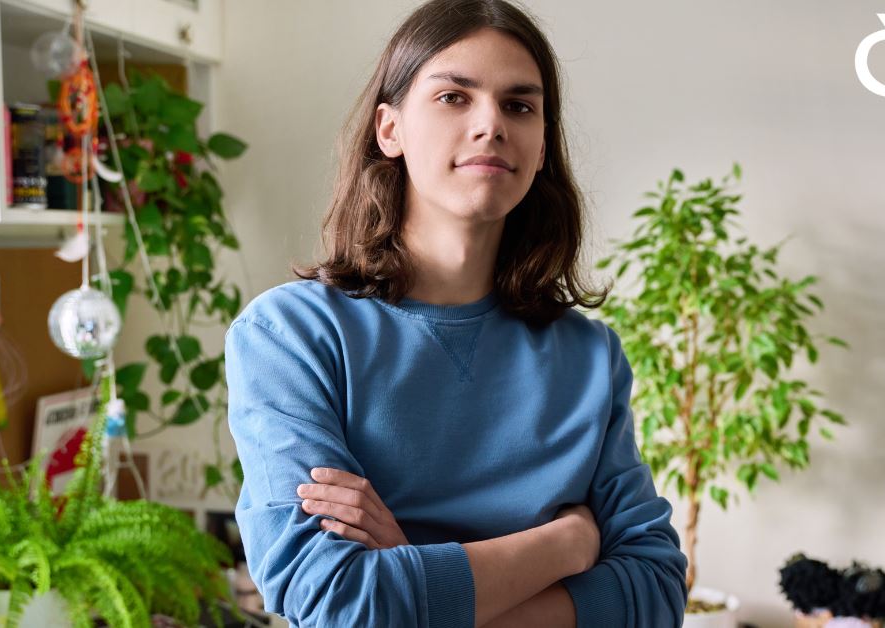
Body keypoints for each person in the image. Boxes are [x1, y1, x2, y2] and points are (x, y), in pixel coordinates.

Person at [224, 1, 688, 626]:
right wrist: (565, 544)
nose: (491, 124)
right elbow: (339, 600)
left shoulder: (590, 357)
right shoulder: (292, 336)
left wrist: (414, 571)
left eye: (520, 105)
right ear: (389, 130)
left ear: (543, 144)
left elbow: (655, 593)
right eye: (453, 98)